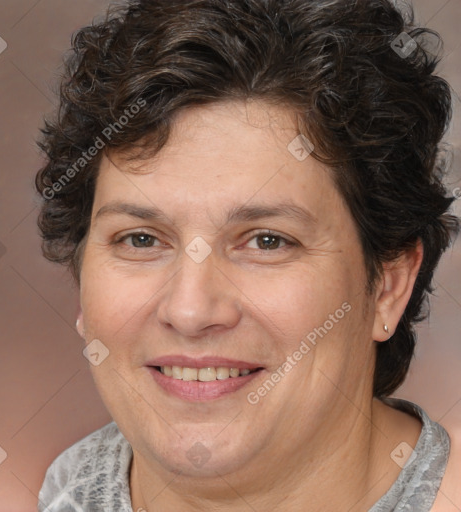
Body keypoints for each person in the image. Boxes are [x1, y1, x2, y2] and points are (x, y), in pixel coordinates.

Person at [34, 0, 461, 510]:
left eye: (267, 241)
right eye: (141, 239)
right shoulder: (67, 491)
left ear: (387, 285)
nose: (190, 311)